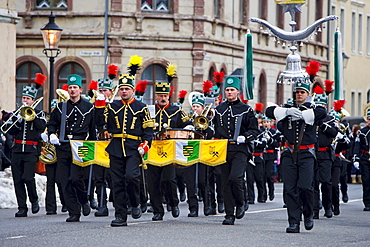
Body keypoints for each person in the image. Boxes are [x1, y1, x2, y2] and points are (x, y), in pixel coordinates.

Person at [266, 81, 326, 233]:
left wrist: (304, 114)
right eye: (297, 92)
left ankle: (308, 214)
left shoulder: (313, 108)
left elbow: (322, 113)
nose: (299, 94)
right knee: (290, 189)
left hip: (306, 153)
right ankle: (293, 221)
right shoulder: (287, 108)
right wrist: (287, 112)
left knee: (306, 186)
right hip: (289, 153)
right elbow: (269, 110)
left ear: (308, 94)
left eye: (302, 92)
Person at [95, 73, 154, 227]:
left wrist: (146, 144)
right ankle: (120, 215)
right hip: (115, 148)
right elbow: (100, 123)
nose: (124, 91)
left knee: (132, 177)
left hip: (134, 148)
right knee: (117, 182)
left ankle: (135, 203)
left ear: (133, 90)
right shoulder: (112, 106)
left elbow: (148, 130)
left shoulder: (141, 107)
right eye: (121, 89)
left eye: (127, 88)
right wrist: (99, 106)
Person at [46, 74, 96, 222]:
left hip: (80, 145)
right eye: (70, 88)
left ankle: (83, 200)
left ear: (81, 89)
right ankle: (74, 212)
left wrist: (93, 147)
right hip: (63, 145)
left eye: (75, 87)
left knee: (75, 178)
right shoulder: (61, 107)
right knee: (64, 180)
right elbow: (52, 123)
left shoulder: (89, 107)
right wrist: (51, 134)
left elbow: (92, 130)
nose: (72, 90)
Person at [212, 76, 259, 225]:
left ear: (238, 91)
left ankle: (241, 201)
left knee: (235, 177)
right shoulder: (219, 109)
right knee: (225, 182)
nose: (229, 92)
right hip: (224, 148)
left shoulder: (246, 109)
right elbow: (216, 130)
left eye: (232, 90)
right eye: (227, 90)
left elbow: (254, 130)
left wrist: (245, 137)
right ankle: (229, 214)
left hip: (240, 149)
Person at [147, 81, 192, 221]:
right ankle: (157, 210)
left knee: (168, 179)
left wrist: (190, 127)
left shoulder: (176, 110)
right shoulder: (148, 110)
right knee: (153, 181)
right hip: (152, 149)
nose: (162, 98)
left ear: (169, 96)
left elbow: (187, 123)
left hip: (169, 150)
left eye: (165, 95)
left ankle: (173, 203)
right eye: (160, 95)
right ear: (156, 96)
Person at [5, 79, 47, 217]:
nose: (25, 101)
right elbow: (8, 130)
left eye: (28, 99)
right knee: (17, 180)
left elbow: (41, 127)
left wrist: (31, 116)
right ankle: (22, 207)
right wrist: (19, 118)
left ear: (33, 100)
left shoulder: (39, 114)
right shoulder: (16, 113)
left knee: (28, 177)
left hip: (31, 151)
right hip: (17, 150)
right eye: (23, 98)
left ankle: (34, 200)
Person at [186, 93, 214, 217]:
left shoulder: (207, 121)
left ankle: (207, 205)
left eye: (197, 106)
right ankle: (193, 208)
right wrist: (188, 127)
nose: (195, 109)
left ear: (203, 108)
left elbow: (211, 133)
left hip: (203, 152)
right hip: (191, 152)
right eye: (193, 106)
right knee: (190, 181)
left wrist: (202, 125)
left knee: (203, 180)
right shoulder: (187, 120)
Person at [312, 91, 337, 219]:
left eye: (322, 106)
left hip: (325, 154)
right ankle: (315, 209)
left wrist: (322, 125)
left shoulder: (330, 119)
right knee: (314, 182)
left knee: (326, 182)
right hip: (313, 154)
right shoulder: (311, 118)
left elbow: (334, 133)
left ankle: (328, 206)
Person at [44, 99, 67, 215]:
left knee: (61, 180)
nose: (54, 111)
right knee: (50, 181)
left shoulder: (64, 119)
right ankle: (50, 207)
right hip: (50, 155)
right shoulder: (48, 121)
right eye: (52, 109)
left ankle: (65, 203)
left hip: (61, 152)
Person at [353, 104, 370, 211]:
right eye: (369, 119)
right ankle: (367, 202)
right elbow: (357, 145)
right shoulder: (363, 132)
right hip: (365, 158)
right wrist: (356, 158)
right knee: (366, 181)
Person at [261, 116, 279, 202]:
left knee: (269, 175)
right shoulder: (260, 132)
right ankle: (263, 194)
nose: (266, 124)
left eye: (267, 122)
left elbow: (277, 144)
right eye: (264, 122)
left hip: (270, 155)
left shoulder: (273, 132)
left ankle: (271, 191)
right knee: (262, 176)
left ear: (270, 123)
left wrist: (270, 140)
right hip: (262, 155)